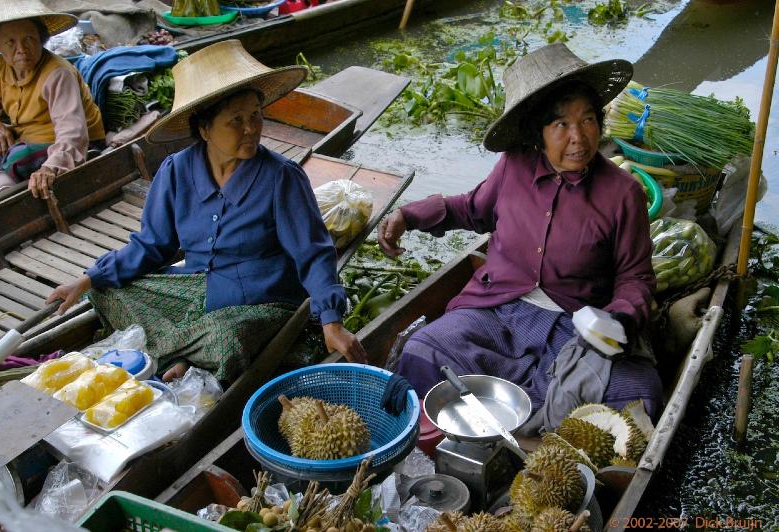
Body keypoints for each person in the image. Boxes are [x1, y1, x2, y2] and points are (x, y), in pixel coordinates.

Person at [378, 43, 662, 431]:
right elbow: (471, 208)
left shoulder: (622, 193)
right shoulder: (514, 165)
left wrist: (619, 318)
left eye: (589, 120)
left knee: (638, 394)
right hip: (498, 309)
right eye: (562, 125)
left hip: (572, 324)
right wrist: (409, 215)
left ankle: (525, 435)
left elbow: (636, 278)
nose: (579, 137)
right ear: (538, 133)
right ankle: (480, 433)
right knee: (422, 351)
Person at [46, 40, 366, 383]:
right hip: (197, 289)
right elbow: (153, 246)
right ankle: (187, 353)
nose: (251, 129)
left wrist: (331, 321)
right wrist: (86, 279)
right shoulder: (176, 171)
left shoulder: (281, 177)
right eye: (236, 120)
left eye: (256, 116)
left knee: (229, 340)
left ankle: (179, 352)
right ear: (204, 129)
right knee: (106, 292)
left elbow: (314, 254)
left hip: (262, 304)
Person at [0, 0, 105, 198]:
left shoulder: (57, 74)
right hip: (26, 136)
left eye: (29, 38)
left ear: (41, 39)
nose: (21, 49)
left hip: (73, 142)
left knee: (16, 159)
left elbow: (72, 133)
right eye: (10, 42)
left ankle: (7, 179)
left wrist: (51, 167)